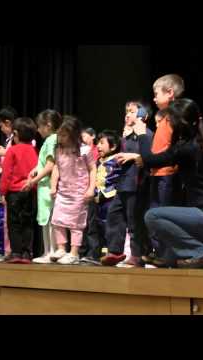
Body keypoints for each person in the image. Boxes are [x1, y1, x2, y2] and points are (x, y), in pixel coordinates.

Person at [133, 98, 203, 268]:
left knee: (152, 216)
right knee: (172, 254)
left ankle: (199, 251)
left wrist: (142, 133)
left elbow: (150, 160)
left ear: (181, 124)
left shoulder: (187, 149)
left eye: (171, 121)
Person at [101, 100, 153, 267]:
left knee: (134, 220)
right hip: (123, 184)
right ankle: (115, 252)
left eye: (131, 111)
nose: (127, 114)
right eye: (126, 111)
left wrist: (132, 156)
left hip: (136, 184)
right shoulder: (125, 136)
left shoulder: (146, 134)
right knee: (114, 215)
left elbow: (148, 156)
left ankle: (138, 254)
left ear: (142, 115)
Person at [145, 74, 185, 261]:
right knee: (154, 212)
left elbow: (174, 149)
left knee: (165, 213)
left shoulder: (177, 116)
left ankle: (168, 254)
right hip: (157, 172)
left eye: (156, 94)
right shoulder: (164, 117)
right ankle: (159, 252)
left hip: (168, 173)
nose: (154, 98)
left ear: (170, 93)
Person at [49, 116, 97, 265]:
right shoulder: (58, 149)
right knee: (57, 220)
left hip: (79, 192)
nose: (61, 138)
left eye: (64, 135)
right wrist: (53, 185)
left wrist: (91, 188)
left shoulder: (84, 150)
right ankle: (61, 248)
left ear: (73, 134)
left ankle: (74, 252)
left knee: (76, 224)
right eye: (60, 135)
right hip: (63, 191)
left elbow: (93, 168)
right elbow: (57, 167)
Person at [22, 109, 62, 264]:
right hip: (43, 184)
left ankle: (51, 251)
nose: (38, 130)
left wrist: (34, 180)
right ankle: (47, 251)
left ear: (49, 125)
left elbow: (50, 165)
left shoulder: (52, 139)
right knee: (46, 219)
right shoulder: (49, 140)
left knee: (51, 219)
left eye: (40, 126)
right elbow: (43, 163)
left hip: (47, 185)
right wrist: (35, 172)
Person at [0, 117, 39, 264]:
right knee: (27, 222)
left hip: (14, 192)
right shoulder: (34, 151)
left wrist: (3, 191)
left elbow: (6, 173)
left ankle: (16, 252)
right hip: (30, 191)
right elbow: (36, 172)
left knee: (14, 223)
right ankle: (27, 253)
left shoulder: (12, 151)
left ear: (15, 133)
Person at [80, 130, 122, 265]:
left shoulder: (117, 161)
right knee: (94, 227)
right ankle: (94, 254)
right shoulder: (97, 161)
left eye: (102, 143)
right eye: (98, 142)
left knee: (109, 226)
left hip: (110, 199)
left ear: (113, 146)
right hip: (96, 199)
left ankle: (111, 253)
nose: (98, 146)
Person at [0, 106, 17, 263]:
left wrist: (4, 154)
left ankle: (9, 251)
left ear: (7, 123)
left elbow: (21, 156)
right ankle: (3, 250)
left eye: (1, 125)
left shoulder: (17, 138)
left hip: (11, 185)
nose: (1, 128)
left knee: (8, 220)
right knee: (2, 219)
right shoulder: (8, 140)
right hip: (3, 182)